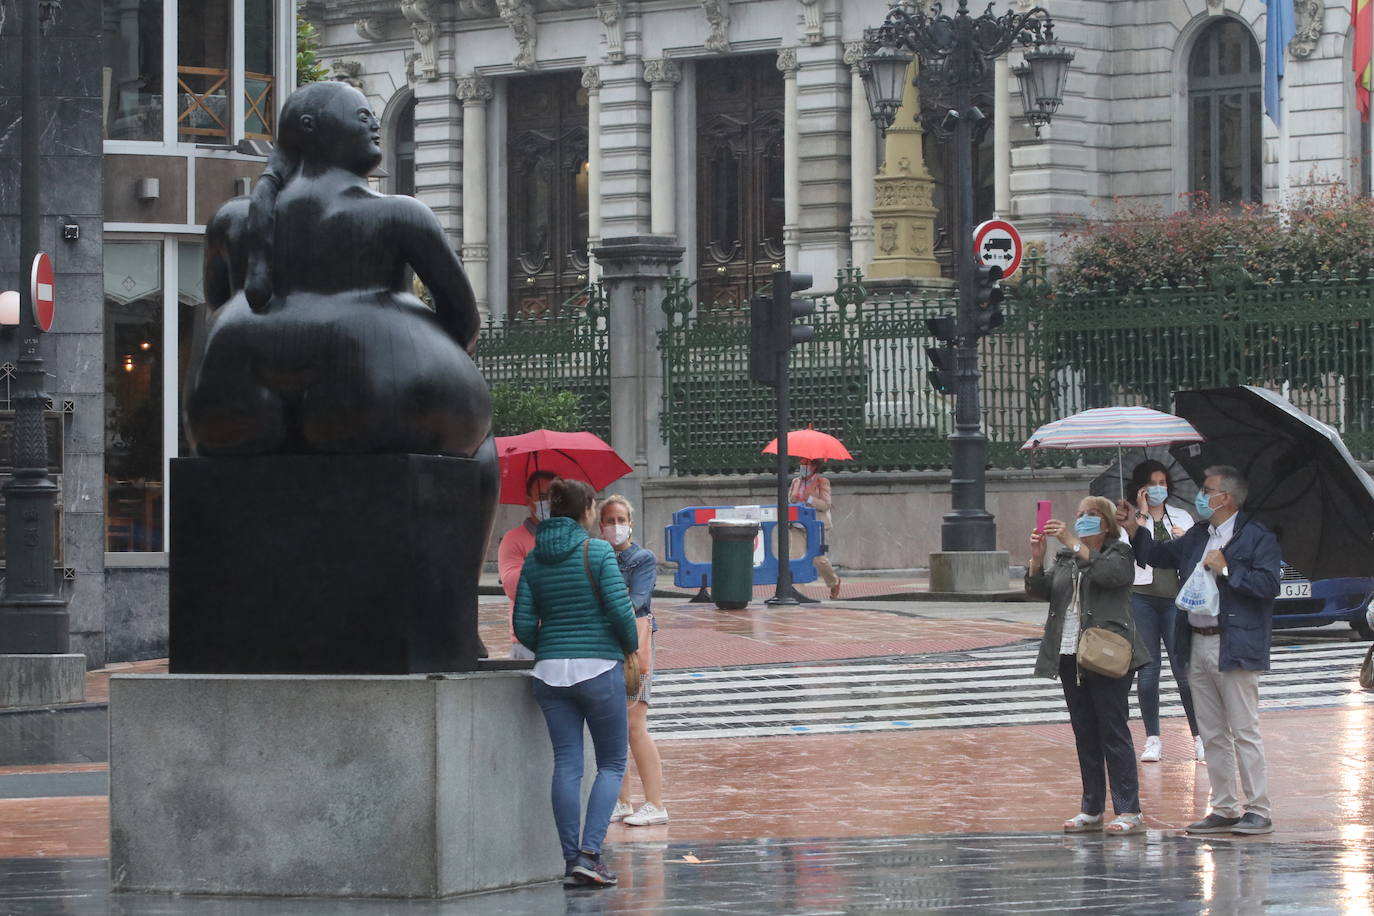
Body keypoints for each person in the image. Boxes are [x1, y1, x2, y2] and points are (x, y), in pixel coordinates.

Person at [1119, 466, 1282, 836]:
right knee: (1212, 733)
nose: (1200, 495)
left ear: (1226, 498)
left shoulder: (1256, 537)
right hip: (1195, 639)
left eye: (1207, 491)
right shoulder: (1198, 535)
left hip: (1234, 643)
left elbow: (1268, 585)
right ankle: (1224, 807)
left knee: (1243, 729)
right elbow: (1160, 555)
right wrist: (1133, 528)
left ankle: (1258, 808)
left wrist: (1227, 571)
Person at [514, 479, 638, 887]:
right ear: (586, 511)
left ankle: (572, 860)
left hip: (550, 675)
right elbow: (622, 613)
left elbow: (522, 625)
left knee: (566, 764)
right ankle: (590, 853)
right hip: (599, 669)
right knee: (612, 763)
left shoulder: (533, 560)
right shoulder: (597, 550)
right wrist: (628, 647)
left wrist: (550, 643)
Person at [1027, 495, 1151, 836]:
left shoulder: (1120, 553)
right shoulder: (1067, 557)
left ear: (1107, 523)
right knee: (1085, 733)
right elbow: (1042, 591)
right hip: (1069, 654)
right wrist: (1037, 561)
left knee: (1113, 730)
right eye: (1079, 514)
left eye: (1091, 515)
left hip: (1107, 654)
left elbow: (1109, 575)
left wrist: (1072, 542)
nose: (1082, 520)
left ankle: (1129, 810)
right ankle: (1092, 807)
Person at [1123, 460, 1203, 763]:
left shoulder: (1181, 516)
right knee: (1149, 671)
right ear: (1141, 487)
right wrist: (1140, 516)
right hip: (1140, 599)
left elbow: (1192, 555)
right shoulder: (1128, 517)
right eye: (1153, 483)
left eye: (1163, 483)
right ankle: (1153, 739)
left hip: (1174, 600)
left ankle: (1199, 737)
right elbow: (1129, 554)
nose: (1159, 489)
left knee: (1183, 670)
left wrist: (1183, 540)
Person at [600, 495, 669, 828]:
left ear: (631, 523)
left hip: (635, 646)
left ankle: (655, 803)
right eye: (610, 520)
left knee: (634, 725)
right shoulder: (597, 556)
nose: (616, 527)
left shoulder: (642, 559)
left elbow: (636, 601)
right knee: (615, 726)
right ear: (600, 525)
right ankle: (622, 801)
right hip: (606, 646)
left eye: (621, 519)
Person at [500, 470, 559, 660]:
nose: (548, 502)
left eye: (552, 496)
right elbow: (511, 587)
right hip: (527, 640)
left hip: (563, 638)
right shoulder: (513, 539)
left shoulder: (567, 536)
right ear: (529, 500)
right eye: (542, 497)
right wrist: (544, 559)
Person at [789, 458, 841, 599]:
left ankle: (834, 582)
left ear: (815, 466)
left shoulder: (822, 482)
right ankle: (798, 594)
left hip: (815, 525)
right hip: (797, 525)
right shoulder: (796, 482)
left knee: (818, 559)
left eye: (807, 464)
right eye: (801, 463)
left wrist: (809, 499)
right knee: (795, 558)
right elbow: (790, 502)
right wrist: (794, 498)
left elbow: (825, 505)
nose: (803, 467)